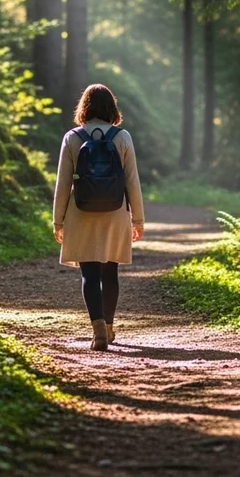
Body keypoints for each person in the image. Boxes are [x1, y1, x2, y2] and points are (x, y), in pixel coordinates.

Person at [52, 84, 145, 351]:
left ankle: (98, 331)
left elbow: (63, 184)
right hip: (116, 212)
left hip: (80, 212)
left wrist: (58, 221)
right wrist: (137, 219)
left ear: (84, 107)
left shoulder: (72, 137)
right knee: (110, 271)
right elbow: (132, 182)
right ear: (112, 108)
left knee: (89, 273)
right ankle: (109, 327)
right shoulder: (122, 137)